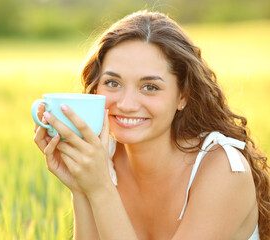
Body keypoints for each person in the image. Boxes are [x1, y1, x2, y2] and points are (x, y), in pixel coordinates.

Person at [34, 10, 270, 240]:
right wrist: (80, 190)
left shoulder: (223, 170)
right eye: (113, 83)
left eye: (150, 87)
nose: (126, 104)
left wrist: (100, 190)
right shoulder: (101, 160)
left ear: (182, 96)